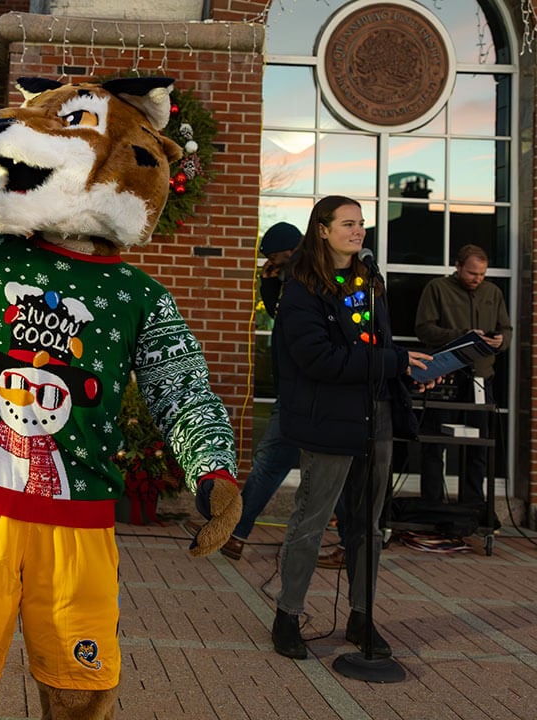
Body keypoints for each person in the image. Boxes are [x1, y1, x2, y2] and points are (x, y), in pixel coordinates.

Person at [270, 196, 433, 660]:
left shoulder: (370, 280)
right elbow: (318, 359)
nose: (358, 231)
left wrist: (410, 368)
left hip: (375, 415)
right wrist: (393, 361)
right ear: (321, 229)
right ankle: (288, 615)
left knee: (369, 524)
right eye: (347, 223)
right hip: (328, 420)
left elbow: (381, 345)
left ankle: (362, 617)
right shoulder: (300, 287)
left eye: (361, 224)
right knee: (312, 519)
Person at [190, 222, 346, 569]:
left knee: (314, 466)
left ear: (291, 251)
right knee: (285, 463)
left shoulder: (315, 275)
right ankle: (237, 533)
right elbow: (278, 315)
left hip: (311, 390)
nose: (274, 263)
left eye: (276, 257)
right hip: (296, 388)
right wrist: (269, 282)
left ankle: (237, 532)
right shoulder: (289, 279)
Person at [414, 244, 511, 512]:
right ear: (457, 266)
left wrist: (502, 341)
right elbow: (424, 329)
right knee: (435, 444)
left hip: (481, 377)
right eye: (471, 273)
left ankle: (473, 506)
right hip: (445, 376)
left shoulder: (493, 292)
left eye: (481, 274)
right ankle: (431, 506)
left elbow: (507, 329)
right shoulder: (438, 288)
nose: (477, 279)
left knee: (478, 446)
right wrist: (464, 335)